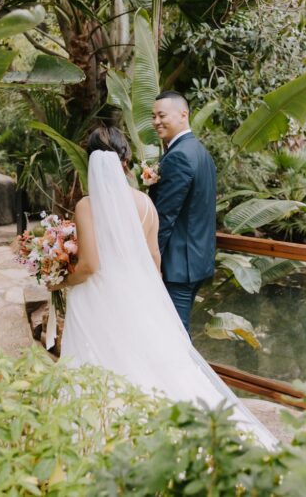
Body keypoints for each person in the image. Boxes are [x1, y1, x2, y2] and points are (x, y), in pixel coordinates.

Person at [58, 126, 277, 449]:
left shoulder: (86, 207)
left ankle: (101, 432)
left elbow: (90, 265)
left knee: (99, 360)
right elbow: (153, 259)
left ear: (91, 160)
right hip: (138, 296)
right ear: (126, 160)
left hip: (97, 297)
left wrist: (64, 281)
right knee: (149, 362)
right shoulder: (146, 204)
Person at [149, 91, 217, 333]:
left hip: (177, 266)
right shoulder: (200, 152)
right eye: (153, 116)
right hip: (197, 260)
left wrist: (149, 261)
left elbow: (164, 217)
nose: (156, 121)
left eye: (162, 115)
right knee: (175, 332)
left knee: (175, 335)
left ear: (183, 114)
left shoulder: (178, 156)